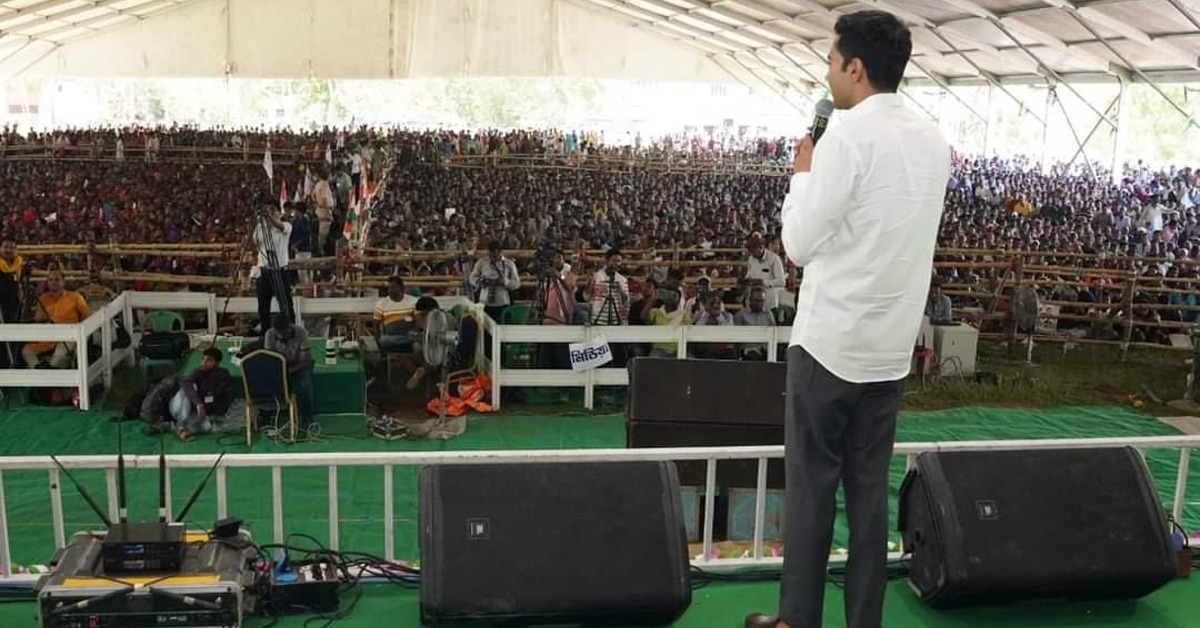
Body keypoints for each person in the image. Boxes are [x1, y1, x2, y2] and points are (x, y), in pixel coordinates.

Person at [745, 10, 951, 628]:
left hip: (830, 344)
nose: (828, 74)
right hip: (889, 351)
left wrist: (801, 179)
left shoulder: (847, 135)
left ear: (855, 68)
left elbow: (799, 245)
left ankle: (797, 620)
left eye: (832, 63)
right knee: (867, 496)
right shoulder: (933, 138)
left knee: (811, 490)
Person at [263, 313, 315, 433]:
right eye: (278, 332)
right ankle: (267, 413)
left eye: (284, 331)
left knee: (304, 383)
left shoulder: (301, 333)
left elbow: (305, 360)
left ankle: (306, 417)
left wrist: (289, 371)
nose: (281, 334)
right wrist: (279, 372)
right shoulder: (269, 334)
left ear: (290, 327)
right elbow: (269, 358)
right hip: (278, 366)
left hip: (299, 365)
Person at [170, 347, 233, 441]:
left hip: (198, 413)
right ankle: (181, 426)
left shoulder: (223, 374)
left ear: (217, 363)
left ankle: (174, 427)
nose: (204, 362)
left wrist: (217, 414)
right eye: (203, 359)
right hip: (180, 408)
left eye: (209, 360)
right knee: (185, 391)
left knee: (208, 426)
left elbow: (227, 396)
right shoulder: (197, 372)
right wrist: (198, 403)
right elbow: (186, 383)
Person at [253, 196, 295, 335]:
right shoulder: (260, 227)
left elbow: (280, 226)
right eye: (267, 210)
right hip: (264, 271)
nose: (269, 213)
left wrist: (270, 217)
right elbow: (255, 243)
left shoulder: (286, 226)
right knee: (263, 307)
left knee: (286, 305)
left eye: (273, 210)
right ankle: (265, 334)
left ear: (279, 212)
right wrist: (260, 221)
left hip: (280, 271)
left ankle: (291, 332)